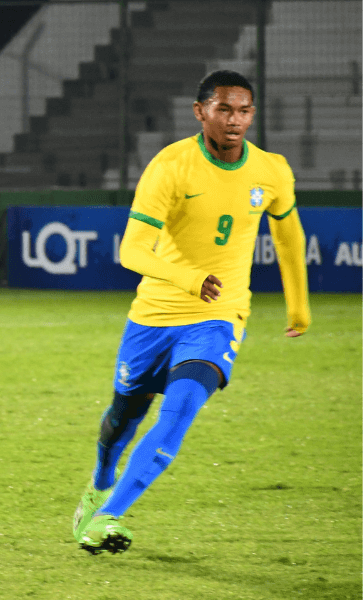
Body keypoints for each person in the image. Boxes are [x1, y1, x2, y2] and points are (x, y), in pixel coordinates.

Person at [72, 70, 311, 555]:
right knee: (124, 414)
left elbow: (288, 235)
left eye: (244, 110)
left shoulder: (271, 171)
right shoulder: (171, 166)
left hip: (219, 316)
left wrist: (299, 304)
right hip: (156, 315)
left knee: (179, 411)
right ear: (200, 112)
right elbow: (132, 251)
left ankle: (109, 515)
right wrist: (187, 279)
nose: (235, 120)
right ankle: (99, 484)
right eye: (224, 109)